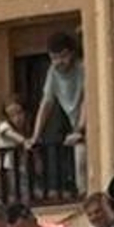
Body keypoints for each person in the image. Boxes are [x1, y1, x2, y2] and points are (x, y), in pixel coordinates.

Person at [30, 31, 86, 184]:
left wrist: (80, 129)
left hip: (85, 124)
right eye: (54, 58)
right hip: (75, 125)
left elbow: (86, 99)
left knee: (82, 161)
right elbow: (46, 103)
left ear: (72, 53)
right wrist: (36, 135)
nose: (59, 62)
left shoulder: (82, 68)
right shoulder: (53, 72)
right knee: (79, 167)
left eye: (63, 56)